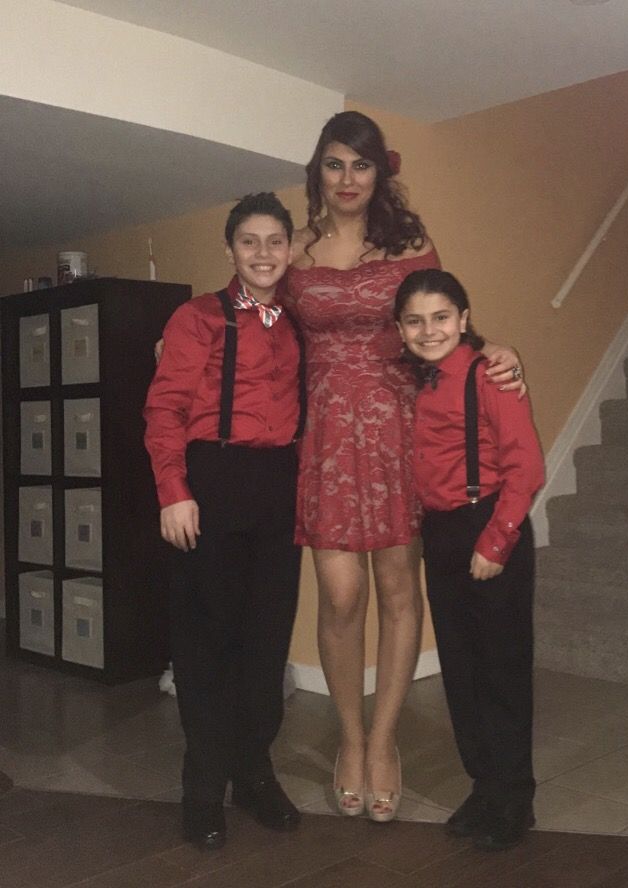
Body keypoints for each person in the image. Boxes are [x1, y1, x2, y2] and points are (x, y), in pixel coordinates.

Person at [283, 110, 525, 821]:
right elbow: (248, 311)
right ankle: (347, 737)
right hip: (325, 437)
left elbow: (442, 322)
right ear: (317, 173)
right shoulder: (296, 251)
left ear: (378, 174)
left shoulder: (410, 243)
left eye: (361, 165)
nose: (348, 178)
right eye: (334, 164)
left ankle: (382, 741)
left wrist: (496, 355)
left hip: (398, 431)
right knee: (338, 597)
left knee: (395, 589)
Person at [144, 193, 304, 850]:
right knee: (206, 643)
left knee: (265, 641)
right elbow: (164, 409)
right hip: (210, 479)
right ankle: (202, 786)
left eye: (274, 241)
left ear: (290, 249)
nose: (263, 253)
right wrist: (173, 490)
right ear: (231, 249)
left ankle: (253, 772)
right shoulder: (195, 319)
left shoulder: (300, 323)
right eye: (249, 241)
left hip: (278, 485)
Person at [393, 267, 544, 851]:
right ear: (401, 329)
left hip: (489, 526)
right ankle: (484, 786)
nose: (428, 330)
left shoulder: (490, 376)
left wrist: (496, 542)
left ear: (463, 318)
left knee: (502, 670)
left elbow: (526, 469)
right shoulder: (416, 382)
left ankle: (514, 798)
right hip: (442, 533)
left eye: (440, 317)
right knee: (461, 668)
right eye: (415, 320)